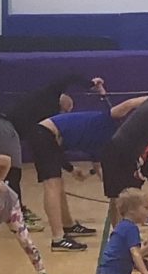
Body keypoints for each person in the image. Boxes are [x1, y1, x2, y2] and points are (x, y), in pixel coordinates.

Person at [18, 78, 112, 250]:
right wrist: (95, 87)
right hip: (41, 135)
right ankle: (58, 238)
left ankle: (68, 225)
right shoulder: (105, 124)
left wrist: (72, 169)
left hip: (46, 139)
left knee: (58, 183)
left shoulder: (99, 139)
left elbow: (98, 166)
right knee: (52, 185)